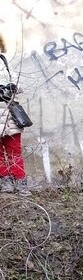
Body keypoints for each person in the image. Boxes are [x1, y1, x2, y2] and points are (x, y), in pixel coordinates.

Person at [0, 33, 30, 196]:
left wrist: (12, 87)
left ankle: (20, 183)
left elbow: (20, 85)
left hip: (10, 118)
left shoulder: (7, 64)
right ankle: (5, 183)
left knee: (14, 152)